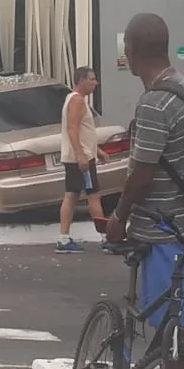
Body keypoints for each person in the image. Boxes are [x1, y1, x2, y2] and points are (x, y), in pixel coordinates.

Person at [105, 14, 184, 369]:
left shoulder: (153, 103)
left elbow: (142, 174)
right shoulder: (183, 87)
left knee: (177, 324)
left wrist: (118, 217)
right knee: (183, 321)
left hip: (163, 229)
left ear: (130, 52)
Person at [56, 67, 106, 254]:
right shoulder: (76, 100)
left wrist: (97, 150)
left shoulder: (77, 101)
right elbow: (72, 129)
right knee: (93, 195)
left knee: (73, 194)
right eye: (92, 79)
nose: (95, 83)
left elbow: (83, 132)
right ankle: (105, 237)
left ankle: (64, 238)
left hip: (81, 155)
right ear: (81, 81)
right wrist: (81, 155)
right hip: (80, 159)